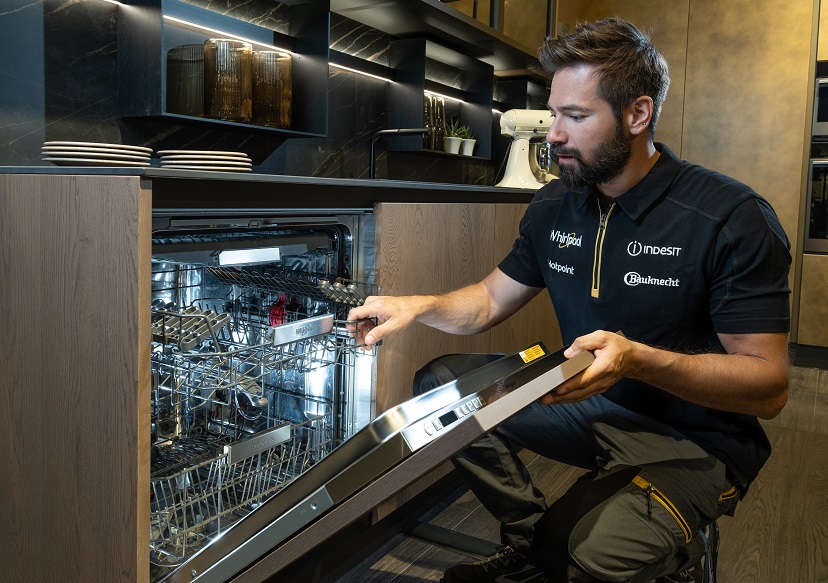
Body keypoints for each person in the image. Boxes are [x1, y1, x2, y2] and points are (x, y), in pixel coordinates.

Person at [347, 17, 791, 583]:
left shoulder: (729, 217)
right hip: (590, 407)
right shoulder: (557, 204)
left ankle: (664, 556)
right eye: (555, 113)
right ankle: (530, 542)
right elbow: (487, 301)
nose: (555, 133)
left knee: (589, 556)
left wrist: (637, 358)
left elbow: (769, 388)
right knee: (441, 393)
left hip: (698, 440)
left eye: (576, 117)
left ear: (637, 114)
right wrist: (419, 306)